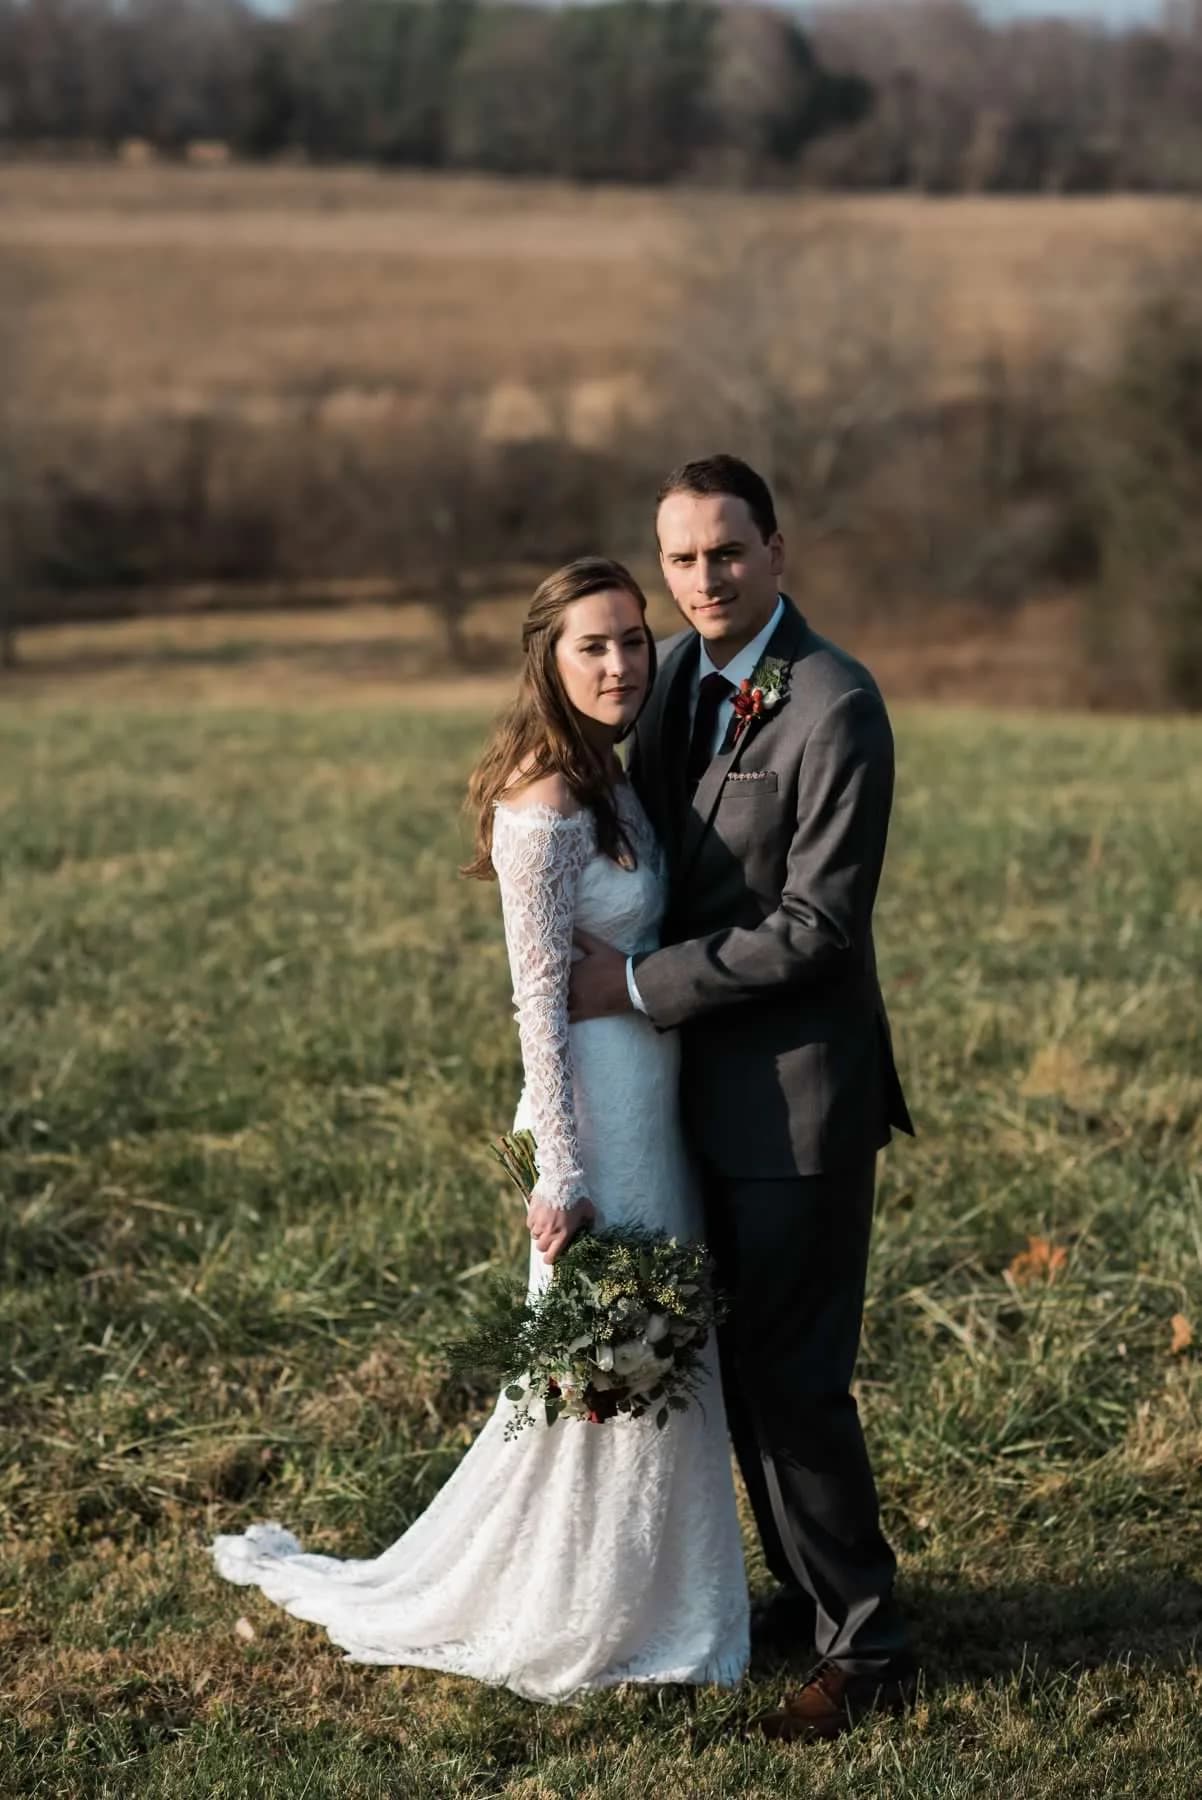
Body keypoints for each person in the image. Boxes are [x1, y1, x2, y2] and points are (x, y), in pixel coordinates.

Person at [210, 556, 750, 1704]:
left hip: (653, 1101)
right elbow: (534, 1001)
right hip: (596, 1122)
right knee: (598, 1370)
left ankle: (669, 1602)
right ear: (546, 662)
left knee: (660, 1356)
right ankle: (579, 1613)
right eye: (591, 647)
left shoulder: (611, 772)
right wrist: (560, 1169)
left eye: (631, 641)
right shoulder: (540, 801)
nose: (619, 663)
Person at [569, 455, 917, 1741]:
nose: (701, 579)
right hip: (687, 1100)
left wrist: (638, 987)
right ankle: (809, 1596)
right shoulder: (667, 683)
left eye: (724, 553)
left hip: (796, 1105)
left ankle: (867, 1648)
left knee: (795, 1382)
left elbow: (817, 926)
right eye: (678, 559)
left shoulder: (834, 704)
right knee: (730, 1371)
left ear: (776, 551)